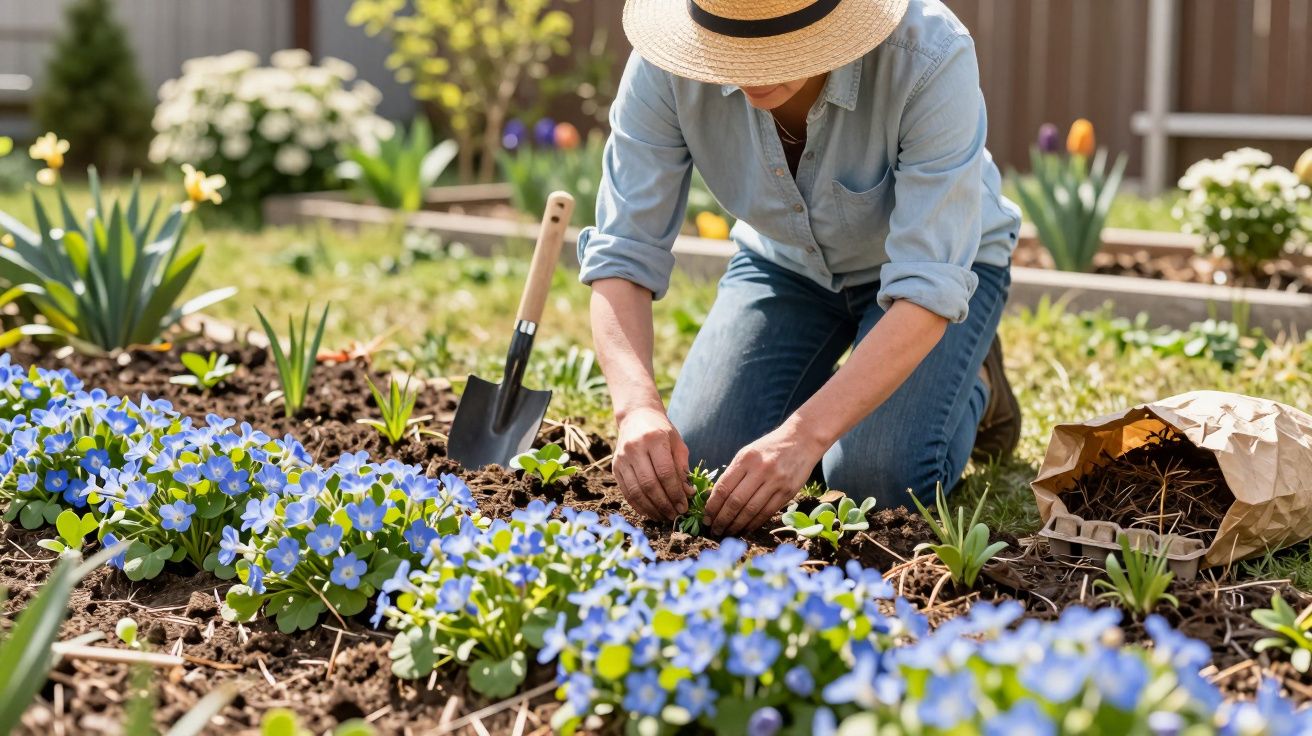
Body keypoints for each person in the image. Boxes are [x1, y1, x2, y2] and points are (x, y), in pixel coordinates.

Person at [578, 0, 1023, 537]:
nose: (750, 73)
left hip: (935, 279)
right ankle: (865, 387)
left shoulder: (928, 54)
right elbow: (622, 251)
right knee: (707, 460)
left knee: (871, 480)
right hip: (785, 263)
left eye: (773, 51)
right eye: (733, 49)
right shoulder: (666, 63)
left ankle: (973, 380)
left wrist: (806, 435)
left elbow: (929, 284)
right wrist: (635, 409)